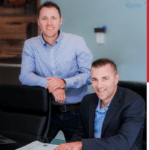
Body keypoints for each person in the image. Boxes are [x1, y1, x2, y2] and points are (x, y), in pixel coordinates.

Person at [19, 1, 93, 142]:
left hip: (76, 112)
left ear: (60, 20)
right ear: (38, 22)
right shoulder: (30, 45)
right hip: (47, 110)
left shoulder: (77, 42)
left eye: (53, 18)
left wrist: (64, 83)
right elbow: (25, 76)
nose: (49, 23)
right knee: (33, 147)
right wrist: (52, 86)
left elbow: (89, 75)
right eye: (44, 18)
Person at [55, 58, 145, 150]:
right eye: (95, 79)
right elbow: (79, 134)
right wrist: (69, 147)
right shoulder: (87, 100)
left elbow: (123, 142)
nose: (99, 85)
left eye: (104, 79)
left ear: (116, 79)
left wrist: (80, 145)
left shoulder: (134, 102)